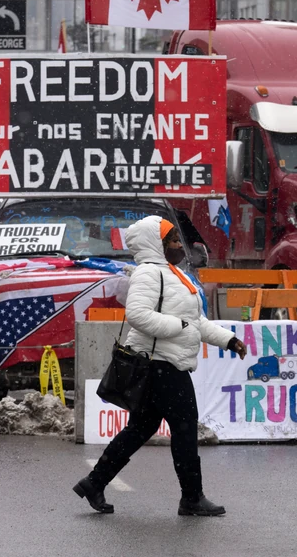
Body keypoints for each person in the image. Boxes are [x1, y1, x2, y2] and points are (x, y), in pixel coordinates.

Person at [74, 216, 247, 516]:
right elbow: (138, 314)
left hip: (165, 363)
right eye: (174, 241)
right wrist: (177, 325)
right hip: (160, 364)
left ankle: (94, 482)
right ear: (157, 244)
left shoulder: (174, 275)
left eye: (178, 241)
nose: (180, 246)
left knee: (141, 428)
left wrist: (229, 341)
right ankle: (191, 497)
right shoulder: (149, 273)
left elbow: (196, 322)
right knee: (184, 427)